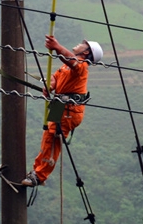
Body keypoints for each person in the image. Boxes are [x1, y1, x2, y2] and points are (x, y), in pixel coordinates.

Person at [22, 35, 103, 187]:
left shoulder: (81, 66)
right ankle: (36, 170)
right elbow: (55, 78)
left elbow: (71, 61)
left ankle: (40, 176)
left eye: (82, 44)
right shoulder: (66, 66)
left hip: (69, 110)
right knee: (48, 137)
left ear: (86, 53)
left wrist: (57, 47)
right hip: (60, 105)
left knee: (53, 140)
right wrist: (50, 86)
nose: (78, 44)